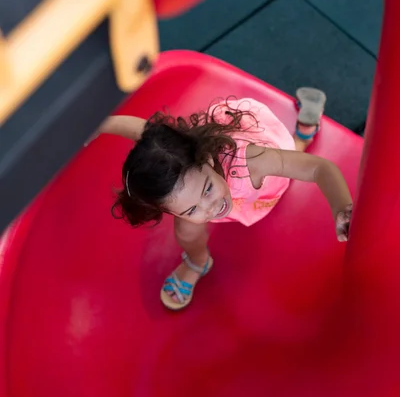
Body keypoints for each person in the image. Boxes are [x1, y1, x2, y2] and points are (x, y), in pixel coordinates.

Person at [95, 90, 353, 311]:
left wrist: (341, 207)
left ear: (207, 160)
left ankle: (302, 136)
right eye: (191, 208)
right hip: (211, 177)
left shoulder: (251, 161)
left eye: (207, 190)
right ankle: (198, 261)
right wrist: (102, 127)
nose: (211, 208)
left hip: (256, 178)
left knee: (289, 157)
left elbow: (319, 169)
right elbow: (142, 134)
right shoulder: (179, 167)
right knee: (185, 230)